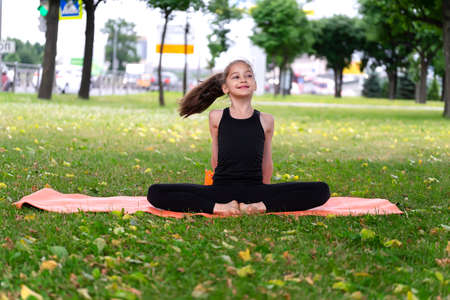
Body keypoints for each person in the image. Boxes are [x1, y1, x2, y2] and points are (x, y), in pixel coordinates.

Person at [147, 59, 330, 216]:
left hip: (256, 191)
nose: (243, 79)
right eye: (236, 76)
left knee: (322, 190)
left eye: (248, 75)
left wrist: (266, 193)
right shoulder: (216, 117)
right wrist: (216, 194)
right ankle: (218, 208)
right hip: (221, 190)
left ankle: (260, 207)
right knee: (155, 192)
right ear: (225, 87)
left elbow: (267, 160)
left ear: (255, 84)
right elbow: (215, 158)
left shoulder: (266, 120)